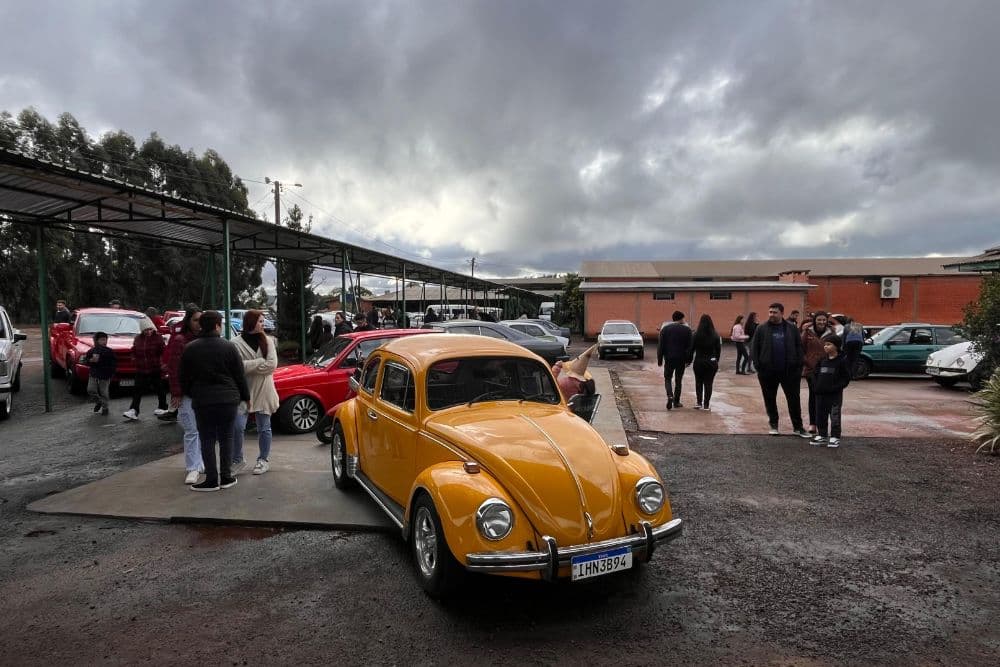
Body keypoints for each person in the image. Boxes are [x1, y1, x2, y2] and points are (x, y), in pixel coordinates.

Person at [179, 310, 251, 492]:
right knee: (227, 437)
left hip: (203, 400)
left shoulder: (191, 348)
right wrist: (245, 397)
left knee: (207, 439)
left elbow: (183, 378)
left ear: (202, 325)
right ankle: (226, 477)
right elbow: (239, 375)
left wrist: (192, 393)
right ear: (218, 325)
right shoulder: (228, 347)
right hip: (228, 399)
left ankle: (211, 479)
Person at [749, 302, 809, 438]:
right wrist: (758, 366)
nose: (772, 315)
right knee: (769, 399)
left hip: (789, 372)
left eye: (775, 312)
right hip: (768, 372)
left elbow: (799, 347)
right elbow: (754, 347)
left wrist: (798, 365)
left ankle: (798, 427)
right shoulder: (762, 328)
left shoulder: (791, 328)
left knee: (794, 399)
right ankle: (774, 425)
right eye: (770, 312)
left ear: (782, 313)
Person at [231, 310, 279, 476]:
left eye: (263, 321)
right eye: (260, 321)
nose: (263, 324)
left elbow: (272, 365)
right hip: (243, 392)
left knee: (264, 428)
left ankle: (263, 459)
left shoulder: (268, 341)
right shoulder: (235, 343)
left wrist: (248, 366)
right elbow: (236, 368)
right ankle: (237, 459)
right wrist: (259, 362)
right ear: (250, 322)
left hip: (265, 390)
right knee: (237, 427)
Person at [160, 306, 205, 484]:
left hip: (204, 392)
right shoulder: (180, 340)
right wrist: (177, 393)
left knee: (203, 430)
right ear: (188, 321)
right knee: (191, 430)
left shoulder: (206, 339)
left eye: (201, 320)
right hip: (187, 393)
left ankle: (200, 462)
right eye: (195, 320)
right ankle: (193, 467)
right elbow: (174, 368)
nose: (198, 324)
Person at [122, 318, 168, 421]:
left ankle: (163, 407)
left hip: (155, 368)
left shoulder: (158, 338)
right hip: (141, 368)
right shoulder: (138, 338)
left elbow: (163, 351)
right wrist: (134, 358)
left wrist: (163, 364)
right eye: (146, 330)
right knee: (137, 389)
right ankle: (134, 410)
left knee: (159, 388)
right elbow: (134, 350)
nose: (148, 332)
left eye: (150, 329)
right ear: (142, 330)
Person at [811, 334, 852, 448]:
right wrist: (816, 386)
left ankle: (835, 437)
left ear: (837, 346)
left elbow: (846, 378)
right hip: (820, 394)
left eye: (829, 344)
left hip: (834, 396)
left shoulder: (842, 361)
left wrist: (835, 388)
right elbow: (814, 374)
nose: (825, 347)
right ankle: (822, 435)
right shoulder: (822, 361)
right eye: (825, 344)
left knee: (834, 416)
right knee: (820, 415)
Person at [801, 311, 834, 435]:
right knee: (813, 397)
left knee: (825, 398)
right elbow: (801, 348)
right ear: (814, 320)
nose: (821, 322)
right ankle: (813, 423)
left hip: (827, 370)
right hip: (812, 370)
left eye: (824, 320)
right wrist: (807, 362)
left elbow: (836, 348)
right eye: (819, 320)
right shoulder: (807, 332)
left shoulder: (831, 332)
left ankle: (823, 424)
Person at [657, 310, 693, 410]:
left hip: (669, 358)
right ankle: (676, 402)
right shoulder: (687, 330)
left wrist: (660, 359)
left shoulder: (665, 329)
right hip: (681, 359)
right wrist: (689, 360)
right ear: (681, 318)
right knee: (678, 380)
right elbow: (690, 347)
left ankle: (670, 396)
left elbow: (661, 346)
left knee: (667, 378)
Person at [689, 314, 722, 411]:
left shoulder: (696, 334)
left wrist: (689, 360)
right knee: (709, 383)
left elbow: (691, 349)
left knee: (698, 382)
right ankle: (706, 405)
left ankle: (699, 402)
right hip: (711, 362)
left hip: (699, 361)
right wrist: (716, 360)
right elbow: (718, 350)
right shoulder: (716, 335)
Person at [83, 331, 115, 416]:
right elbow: (85, 361)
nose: (104, 342)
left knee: (104, 392)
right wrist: (90, 361)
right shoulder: (91, 351)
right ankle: (99, 402)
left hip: (105, 374)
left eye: (105, 340)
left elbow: (113, 363)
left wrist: (111, 372)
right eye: (102, 340)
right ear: (96, 341)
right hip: (94, 373)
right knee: (91, 390)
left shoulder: (109, 351)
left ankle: (105, 408)